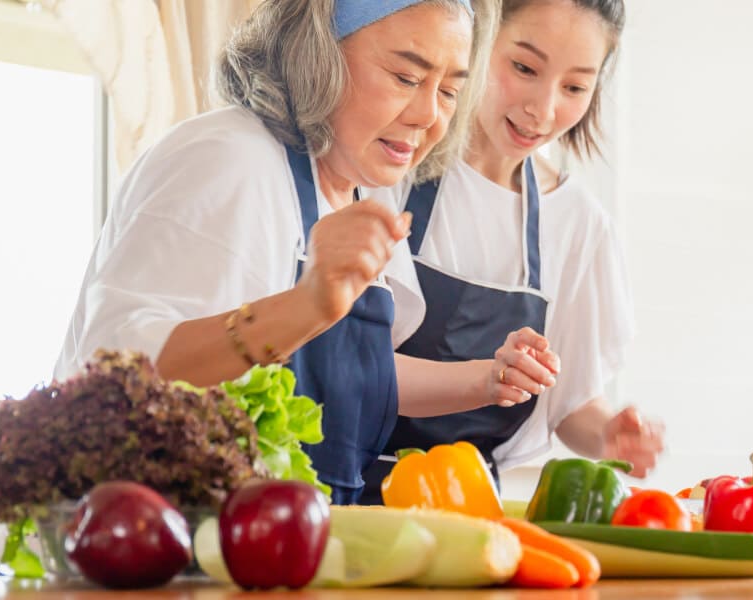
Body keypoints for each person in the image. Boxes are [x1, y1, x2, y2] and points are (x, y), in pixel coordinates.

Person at [54, 0, 503, 505]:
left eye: (449, 92)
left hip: (290, 550)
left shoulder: (362, 193)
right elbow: (122, 374)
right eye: (404, 77)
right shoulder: (228, 158)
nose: (430, 117)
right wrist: (305, 306)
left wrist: (485, 379)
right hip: (157, 549)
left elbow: (361, 373)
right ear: (317, 56)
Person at [359, 0, 662, 503]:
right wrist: (486, 378)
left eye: (574, 87)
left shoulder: (579, 223)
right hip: (346, 491)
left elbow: (572, 404)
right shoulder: (390, 165)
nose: (542, 110)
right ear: (476, 42)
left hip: (473, 505)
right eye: (524, 68)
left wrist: (610, 435)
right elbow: (345, 363)